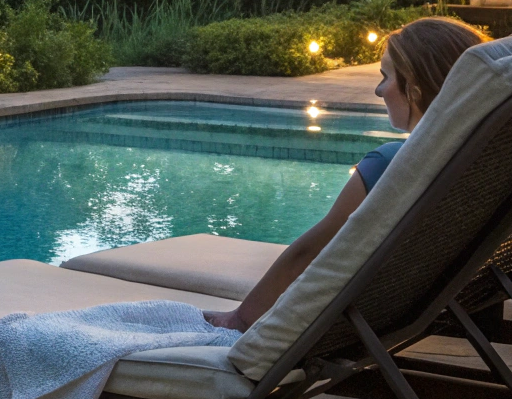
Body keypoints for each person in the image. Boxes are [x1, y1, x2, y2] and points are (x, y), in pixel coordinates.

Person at [204, 16, 487, 331]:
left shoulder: (392, 164)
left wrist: (241, 318)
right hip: (440, 303)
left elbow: (311, 251)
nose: (379, 91)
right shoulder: (479, 157)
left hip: (367, 319)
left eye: (385, 77)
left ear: (415, 91)